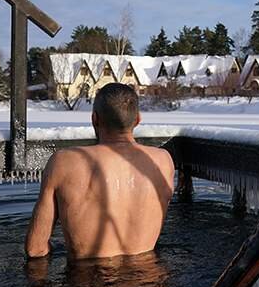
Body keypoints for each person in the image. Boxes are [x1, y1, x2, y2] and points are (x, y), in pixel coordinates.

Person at [25, 83, 174, 260]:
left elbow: (36, 249)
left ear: (95, 119)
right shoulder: (163, 161)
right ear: (137, 119)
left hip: (88, 282)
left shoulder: (64, 162)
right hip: (149, 280)